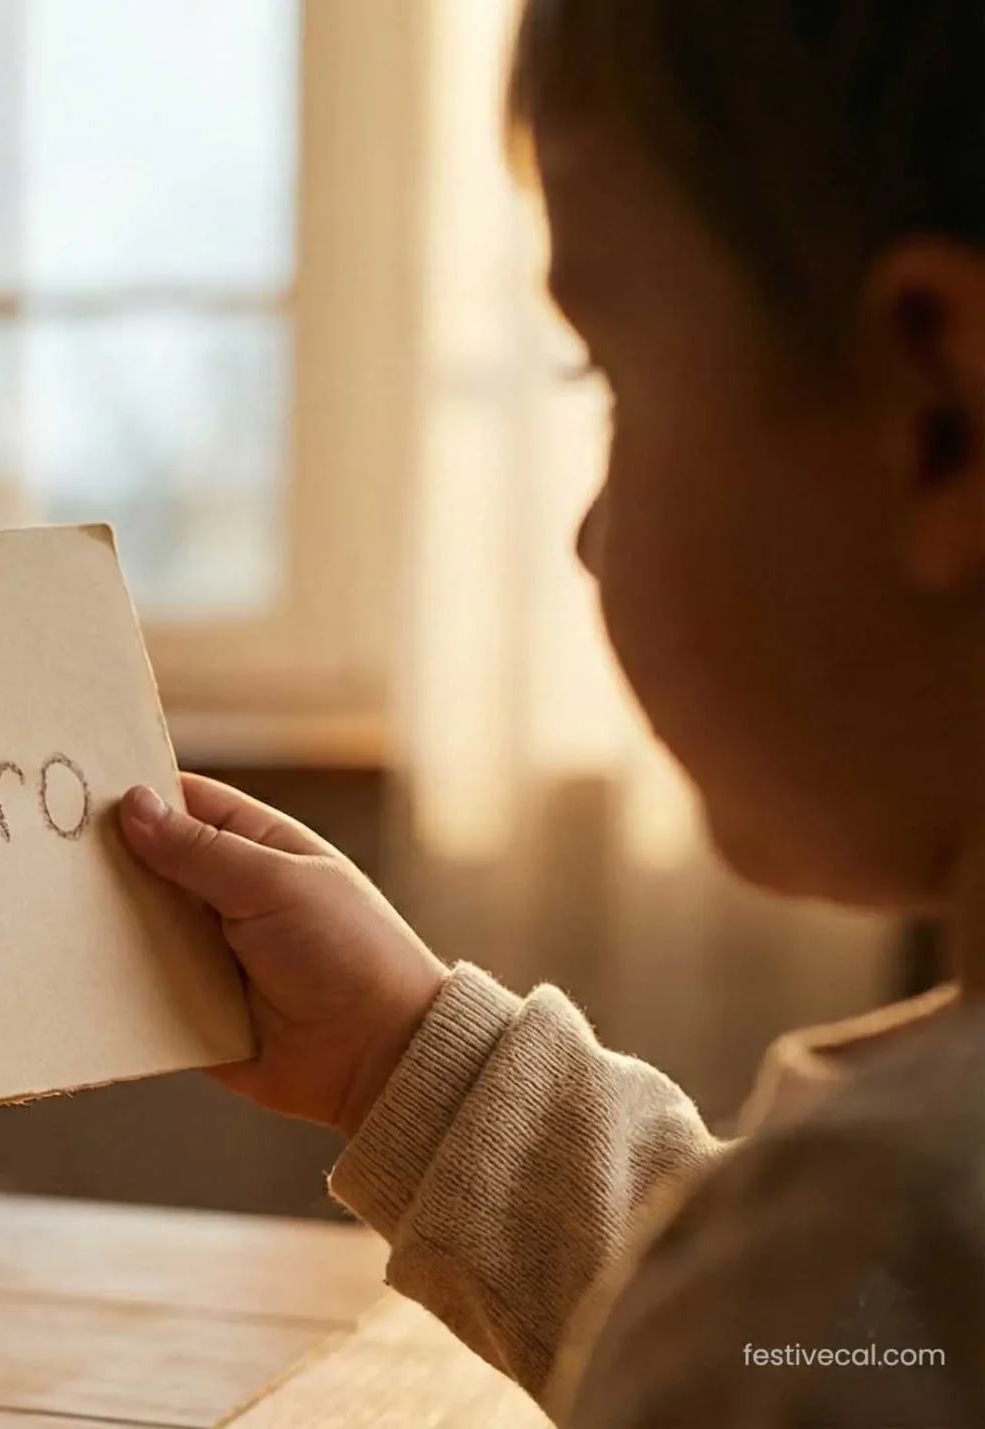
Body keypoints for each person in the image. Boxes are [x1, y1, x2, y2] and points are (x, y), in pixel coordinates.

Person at [112, 1, 985, 1421]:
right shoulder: (872, 1269)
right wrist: (405, 1056)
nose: (582, 536)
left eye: (610, 378)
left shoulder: (882, 1229)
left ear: (937, 417)